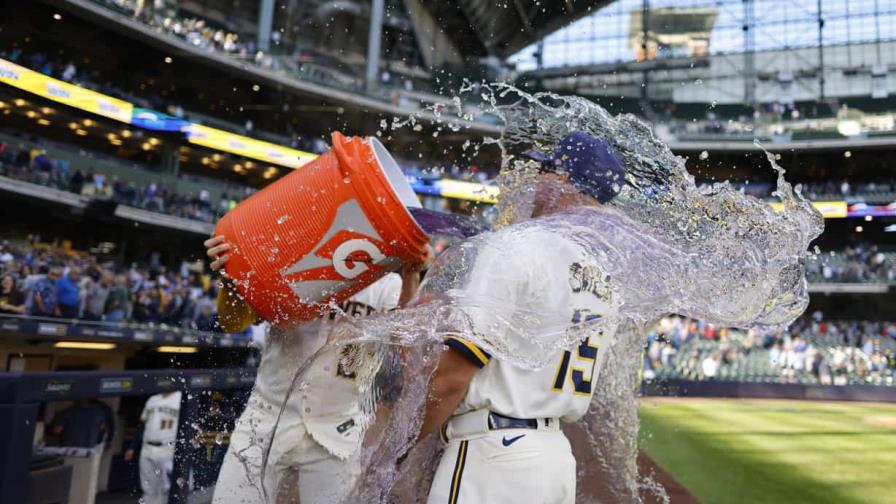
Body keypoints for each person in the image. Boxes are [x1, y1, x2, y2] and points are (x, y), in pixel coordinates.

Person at [416, 132, 625, 504]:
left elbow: (454, 375)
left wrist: (403, 445)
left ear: (563, 179)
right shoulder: (605, 281)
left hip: (493, 456)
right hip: (554, 460)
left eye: (545, 170)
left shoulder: (517, 245)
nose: (535, 181)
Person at [207, 234, 428, 504]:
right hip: (268, 415)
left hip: (338, 424)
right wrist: (232, 277)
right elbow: (231, 321)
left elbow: (408, 346)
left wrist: (411, 276)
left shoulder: (386, 282)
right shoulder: (294, 262)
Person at [124, 390, 182, 504]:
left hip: (168, 447)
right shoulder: (153, 399)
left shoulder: (181, 398)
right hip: (147, 447)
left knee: (166, 487)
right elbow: (142, 425)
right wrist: (132, 447)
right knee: (148, 486)